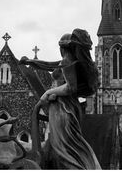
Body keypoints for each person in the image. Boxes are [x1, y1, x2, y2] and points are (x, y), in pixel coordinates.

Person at [20, 28, 101, 169]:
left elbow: (71, 88)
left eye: (60, 47)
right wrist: (31, 62)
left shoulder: (68, 62)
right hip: (63, 107)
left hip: (64, 108)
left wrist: (48, 93)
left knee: (65, 148)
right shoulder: (67, 61)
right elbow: (49, 65)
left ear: (63, 48)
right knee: (66, 144)